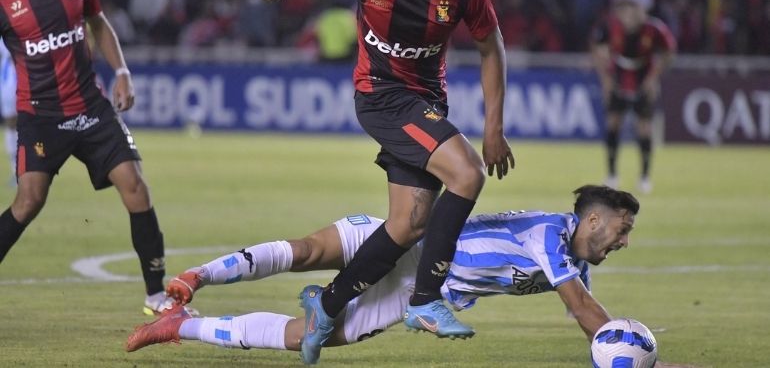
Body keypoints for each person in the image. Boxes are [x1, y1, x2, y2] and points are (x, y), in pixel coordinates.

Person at [260, 0, 515, 364]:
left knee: (408, 224)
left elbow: (491, 47)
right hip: (380, 95)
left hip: (426, 102)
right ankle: (425, 300)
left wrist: (493, 128)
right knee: (468, 173)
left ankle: (326, 305)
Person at [126, 185, 658, 361]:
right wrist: (640, 359)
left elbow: (591, 320)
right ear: (593, 219)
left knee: (312, 336)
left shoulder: (570, 257)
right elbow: (587, 314)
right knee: (310, 250)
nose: (625, 241)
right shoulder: (550, 237)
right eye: (622, 229)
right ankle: (195, 277)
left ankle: (179, 326)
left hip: (414, 290)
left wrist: (638, 358)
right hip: (408, 238)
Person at [0, 0, 176, 315]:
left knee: (135, 186)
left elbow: (98, 22)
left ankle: (157, 296)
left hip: (91, 106)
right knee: (29, 201)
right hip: (41, 115)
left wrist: (122, 71)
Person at [590, 0, 676, 194]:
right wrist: (606, 80)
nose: (627, 14)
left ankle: (645, 177)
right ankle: (611, 174)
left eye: (632, 7)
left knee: (644, 127)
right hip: (619, 75)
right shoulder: (609, 27)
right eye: (623, 8)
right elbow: (598, 50)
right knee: (613, 124)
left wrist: (653, 77)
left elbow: (668, 52)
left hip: (643, 75)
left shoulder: (655, 30)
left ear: (643, 8)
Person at [0, 40, 18, 185]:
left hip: (22, 73)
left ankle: (24, 169)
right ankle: (15, 169)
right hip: (7, 76)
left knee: (25, 122)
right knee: (11, 122)